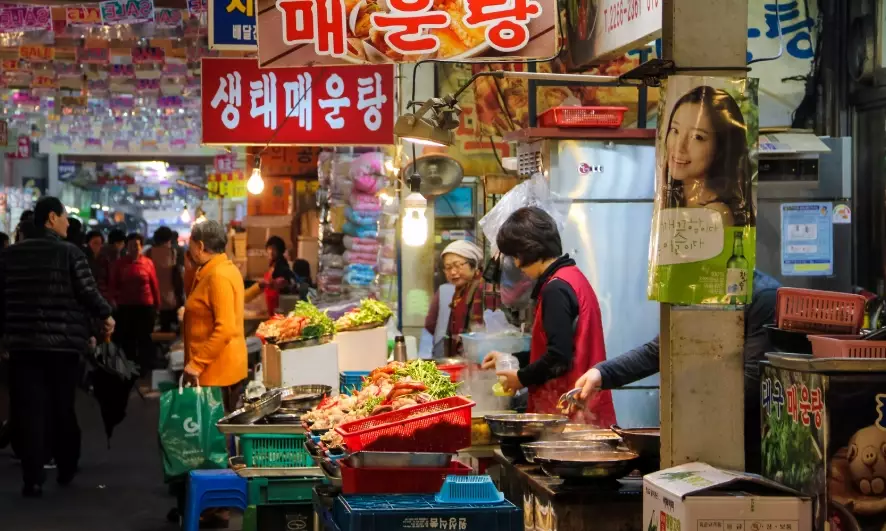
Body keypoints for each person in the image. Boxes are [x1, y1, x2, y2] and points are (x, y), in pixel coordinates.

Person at [574, 269, 780, 472]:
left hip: (748, 448)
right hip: (704, 441)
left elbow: (754, 380)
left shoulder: (764, 297)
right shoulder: (701, 289)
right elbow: (661, 349)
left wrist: (689, 414)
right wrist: (601, 373)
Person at [0, 196, 114, 497]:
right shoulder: (70, 253)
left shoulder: (10, 256)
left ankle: (33, 477)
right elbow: (88, 293)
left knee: (29, 409)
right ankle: (65, 466)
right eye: (64, 217)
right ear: (52, 218)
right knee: (61, 406)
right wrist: (106, 315)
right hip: (63, 348)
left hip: (23, 346)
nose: (67, 223)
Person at [481, 207, 616, 427]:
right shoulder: (572, 277)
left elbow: (558, 357)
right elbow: (557, 347)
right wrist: (511, 358)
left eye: (515, 256)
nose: (515, 264)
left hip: (570, 414)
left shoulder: (556, 289)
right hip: (581, 408)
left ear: (527, 251)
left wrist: (521, 378)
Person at [663, 85, 753, 227]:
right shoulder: (675, 197)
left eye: (697, 137)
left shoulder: (715, 214)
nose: (679, 147)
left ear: (721, 148)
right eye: (675, 130)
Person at [181, 220, 247, 410]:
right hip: (219, 372)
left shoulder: (217, 276)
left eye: (190, 244)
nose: (189, 248)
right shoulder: (220, 270)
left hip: (216, 374)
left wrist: (197, 364)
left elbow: (225, 328)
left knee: (213, 437)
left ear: (200, 246)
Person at [421, 240, 486, 358]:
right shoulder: (458, 292)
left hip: (479, 357)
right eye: (448, 267)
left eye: (458, 265)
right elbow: (430, 325)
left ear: (474, 264)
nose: (453, 272)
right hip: (460, 358)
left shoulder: (483, 288)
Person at [109, 233, 160, 375]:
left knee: (145, 338)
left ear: (141, 246)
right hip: (126, 308)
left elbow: (154, 285)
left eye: (137, 245)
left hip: (145, 307)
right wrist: (113, 301)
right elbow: (113, 285)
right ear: (127, 247)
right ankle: (129, 369)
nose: (134, 248)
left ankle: (145, 368)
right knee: (128, 339)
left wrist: (157, 304)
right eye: (131, 245)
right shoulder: (119, 264)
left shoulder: (148, 263)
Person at [146, 226, 183, 332]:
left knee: (156, 331)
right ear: (169, 239)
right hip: (171, 299)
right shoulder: (173, 252)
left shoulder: (149, 253)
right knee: (173, 331)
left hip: (153, 299)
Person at [260, 236, 295, 315]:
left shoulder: (281, 265)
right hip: (271, 303)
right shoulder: (273, 263)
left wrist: (269, 284)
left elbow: (283, 282)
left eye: (274, 249)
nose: (271, 252)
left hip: (278, 305)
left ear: (280, 251)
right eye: (269, 249)